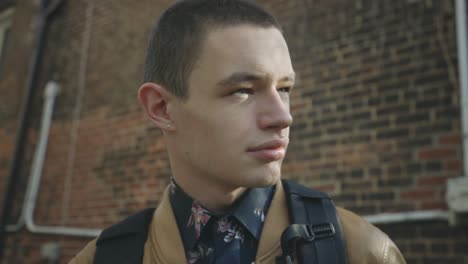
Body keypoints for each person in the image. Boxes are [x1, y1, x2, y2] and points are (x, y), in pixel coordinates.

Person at [70, 0, 406, 263]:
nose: (282, 117)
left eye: (285, 88)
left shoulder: (359, 251)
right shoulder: (105, 258)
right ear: (161, 108)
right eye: (242, 90)